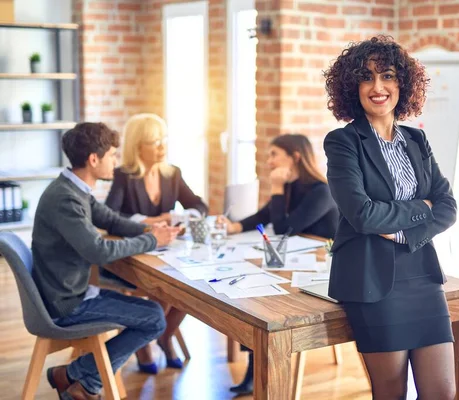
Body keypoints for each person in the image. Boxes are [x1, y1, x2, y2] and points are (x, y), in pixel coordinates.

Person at [322, 35, 458, 400]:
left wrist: (401, 230)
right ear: (353, 87)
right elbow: (363, 215)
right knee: (390, 393)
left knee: (442, 394)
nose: (378, 87)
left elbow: (446, 207)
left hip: (423, 278)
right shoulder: (343, 142)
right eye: (367, 78)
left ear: (403, 83)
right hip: (372, 282)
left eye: (387, 76)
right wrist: (421, 209)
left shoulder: (416, 140)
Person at [33, 122, 179, 399]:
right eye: (112, 154)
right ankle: (81, 380)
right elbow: (99, 251)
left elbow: (110, 219)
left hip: (67, 292)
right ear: (93, 159)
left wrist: (152, 231)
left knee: (151, 314)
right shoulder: (66, 199)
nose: (116, 160)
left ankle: (74, 377)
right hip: (67, 304)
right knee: (154, 318)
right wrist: (152, 241)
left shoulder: (72, 189)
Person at [217, 133, 339, 395]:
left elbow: (285, 227)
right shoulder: (291, 185)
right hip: (296, 263)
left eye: (274, 154)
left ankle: (264, 375)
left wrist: (275, 188)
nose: (268, 161)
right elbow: (266, 215)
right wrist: (236, 226)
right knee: (253, 293)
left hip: (322, 272)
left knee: (262, 298)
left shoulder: (322, 190)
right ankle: (255, 368)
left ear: (294, 157)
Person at [104, 113, 207, 373]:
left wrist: (183, 218)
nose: (162, 146)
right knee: (166, 286)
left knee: (189, 284)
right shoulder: (124, 175)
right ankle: (147, 341)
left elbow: (199, 205)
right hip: (132, 257)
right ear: (138, 146)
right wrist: (151, 220)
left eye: (164, 140)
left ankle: (165, 334)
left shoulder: (172, 173)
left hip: (167, 252)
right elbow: (110, 217)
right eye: (154, 141)